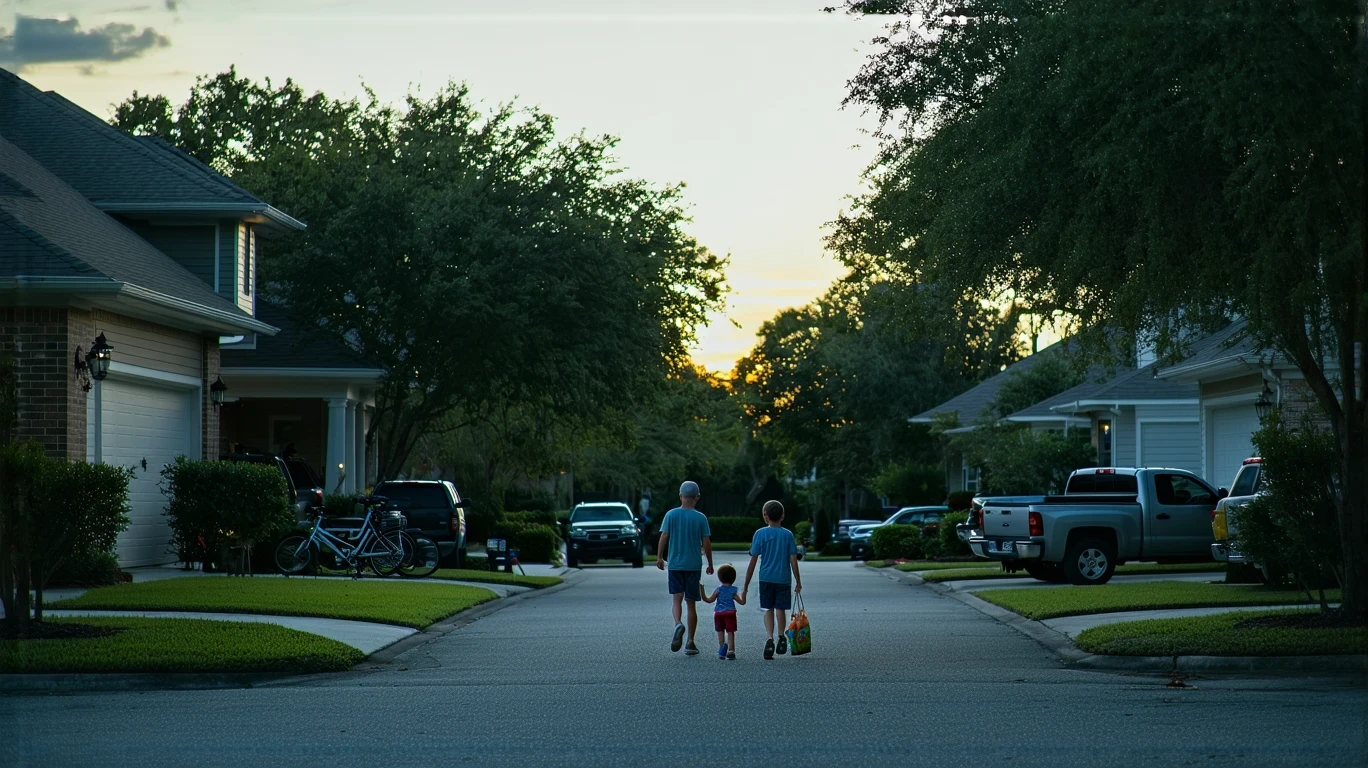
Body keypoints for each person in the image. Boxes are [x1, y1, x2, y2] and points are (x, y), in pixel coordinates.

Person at [656, 480, 714, 655]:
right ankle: (690, 642)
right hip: (693, 566)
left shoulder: (671, 515)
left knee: (676, 599)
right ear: (697, 497)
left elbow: (664, 536)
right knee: (691, 604)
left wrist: (659, 557)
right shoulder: (700, 518)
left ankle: (677, 624)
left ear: (680, 496)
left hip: (675, 564)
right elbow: (706, 542)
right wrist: (710, 563)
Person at [743, 499, 802, 660]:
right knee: (780, 609)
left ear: (765, 515)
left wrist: (746, 585)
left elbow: (753, 561)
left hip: (766, 579)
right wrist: (798, 581)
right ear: (782, 516)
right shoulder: (788, 535)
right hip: (783, 579)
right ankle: (781, 636)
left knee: (768, 609)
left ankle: (770, 638)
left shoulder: (760, 534)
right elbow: (793, 559)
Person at [701, 563, 746, 660]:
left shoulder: (718, 590)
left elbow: (709, 600)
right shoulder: (733, 591)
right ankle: (731, 650)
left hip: (719, 613)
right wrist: (744, 593)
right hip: (730, 612)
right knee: (730, 632)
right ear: (733, 578)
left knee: (720, 631)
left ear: (720, 578)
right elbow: (742, 602)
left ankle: (722, 648)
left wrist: (702, 591)